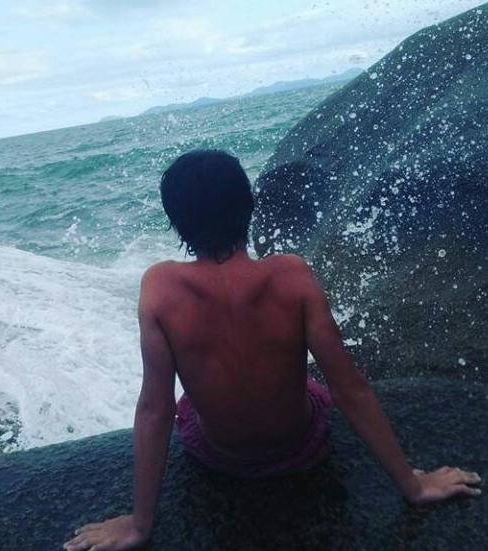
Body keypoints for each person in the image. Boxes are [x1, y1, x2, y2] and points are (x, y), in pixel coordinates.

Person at [64, 150, 482, 551]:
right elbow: (349, 388)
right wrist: (414, 485)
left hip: (218, 456)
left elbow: (155, 408)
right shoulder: (292, 275)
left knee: (187, 403)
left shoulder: (159, 288)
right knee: (312, 385)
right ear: (248, 206)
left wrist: (140, 524)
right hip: (302, 448)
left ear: (177, 223)